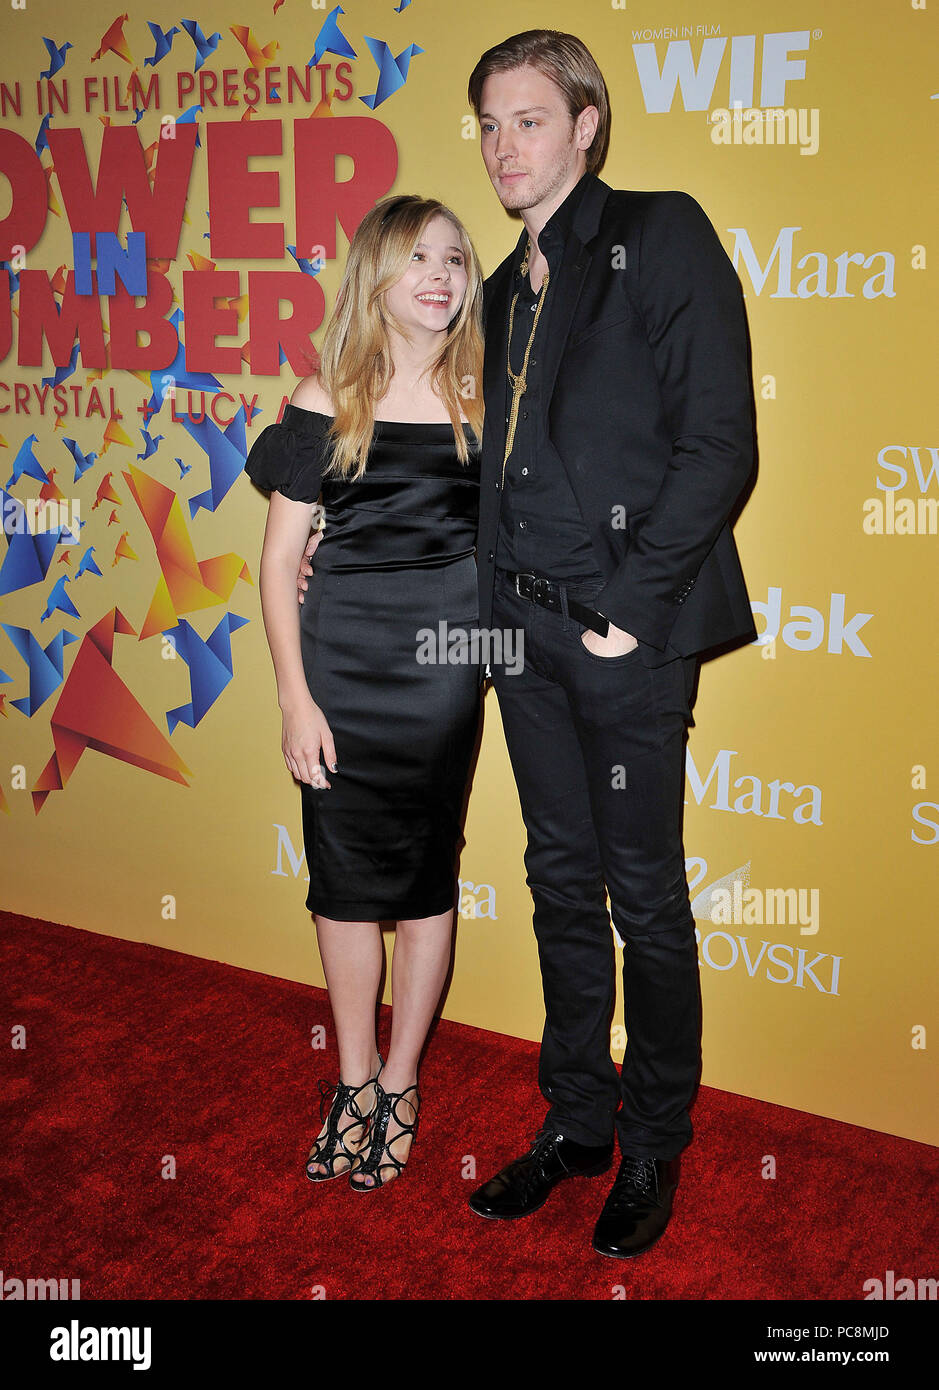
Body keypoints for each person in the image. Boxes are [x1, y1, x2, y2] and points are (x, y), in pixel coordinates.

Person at [458, 29, 757, 1257]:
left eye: (526, 119)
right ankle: (577, 1122)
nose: (501, 146)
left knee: (644, 894)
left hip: (626, 636)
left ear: (586, 125)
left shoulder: (658, 234)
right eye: (485, 124)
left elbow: (721, 444)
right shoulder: (492, 292)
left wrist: (631, 608)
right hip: (522, 633)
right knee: (552, 880)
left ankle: (652, 1145)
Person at [244, 195, 485, 1190]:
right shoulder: (322, 398)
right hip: (339, 669)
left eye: (456, 259)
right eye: (417, 256)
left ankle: (402, 1077)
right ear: (375, 276)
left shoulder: (490, 402)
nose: (439, 273)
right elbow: (277, 563)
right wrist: (296, 698)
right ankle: (349, 1081)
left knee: (427, 878)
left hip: (443, 677)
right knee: (342, 886)